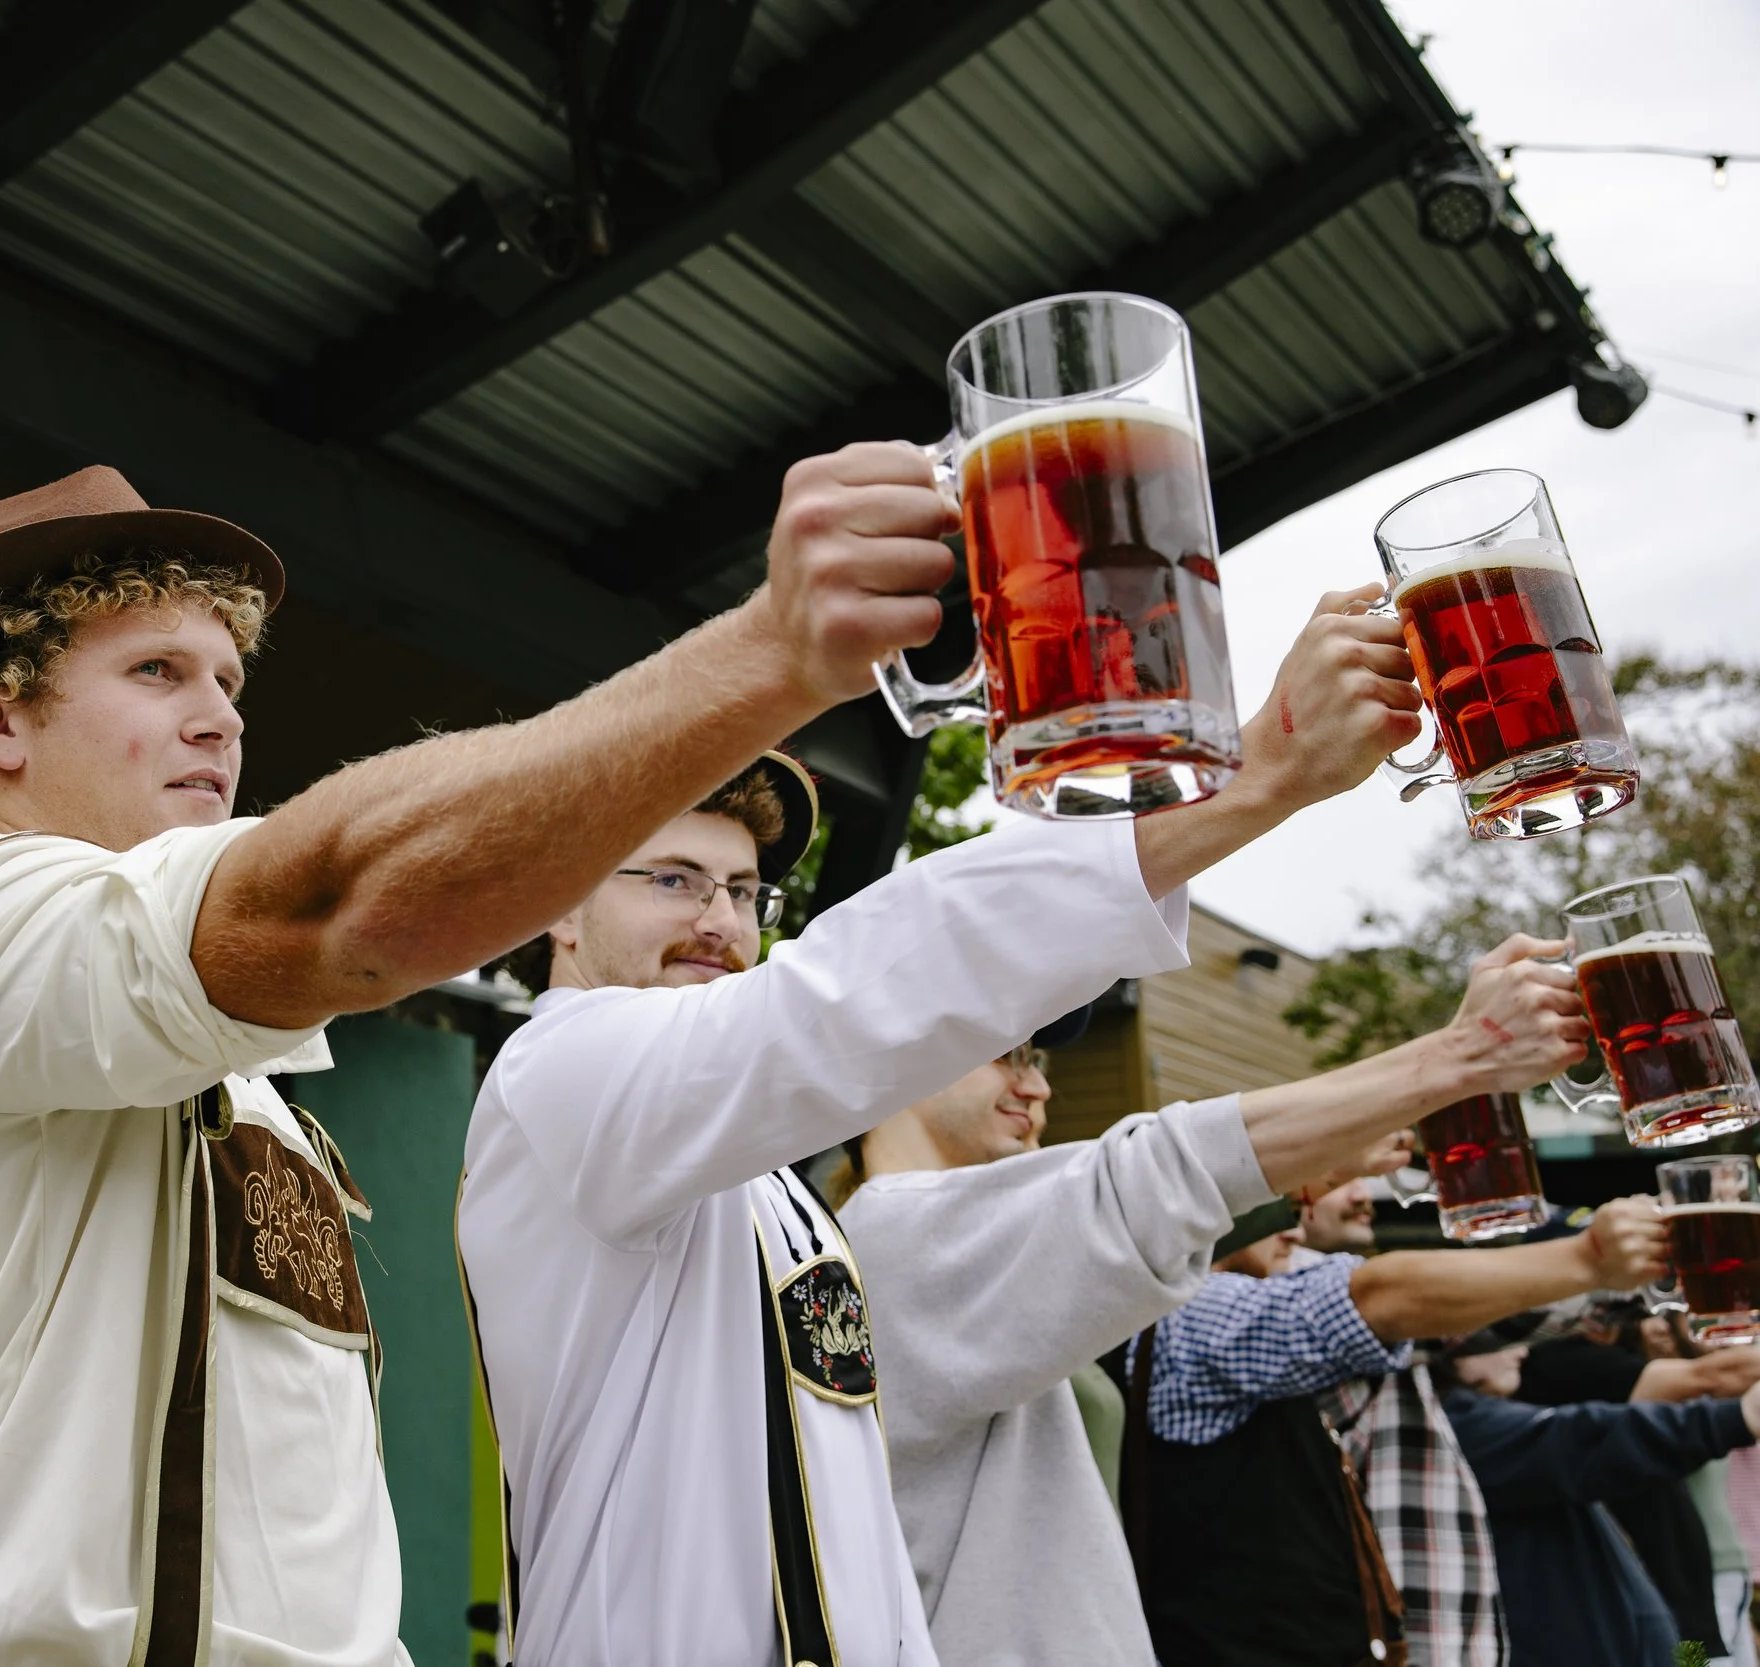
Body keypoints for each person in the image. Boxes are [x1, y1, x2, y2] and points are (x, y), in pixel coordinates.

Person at [0, 445, 979, 1666]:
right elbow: (333, 906)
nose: (221, 716)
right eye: (157, 670)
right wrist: (765, 656)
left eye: (228, 678)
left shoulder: (212, 1066)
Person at [457, 583, 1447, 1666]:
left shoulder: (768, 1190)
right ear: (555, 900)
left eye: (745, 892)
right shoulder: (561, 1072)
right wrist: (1250, 775)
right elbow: (842, 996)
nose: (720, 921)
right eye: (674, 878)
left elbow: (854, 1534)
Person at [824, 950, 1617, 1667]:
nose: (1038, 1084)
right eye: (1006, 1054)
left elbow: (1143, 1215)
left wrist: (1291, 1183)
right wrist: (1461, 1052)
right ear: (898, 1057)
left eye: (1035, 1057)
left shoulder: (935, 1249)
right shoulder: (890, 1233)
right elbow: (1148, 1181)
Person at [1120, 1192, 1667, 1667]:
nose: (1294, 1222)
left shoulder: (1276, 1304)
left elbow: (1447, 1320)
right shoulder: (1191, 1315)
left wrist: (1647, 1270)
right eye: (1261, 1208)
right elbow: (1389, 1303)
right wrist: (1590, 1259)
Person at [1446, 1337, 1760, 1667]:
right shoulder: (1570, 1369)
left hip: (1707, 1584)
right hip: (1681, 1596)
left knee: (1706, 1646)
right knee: (1697, 1656)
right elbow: (1608, 1434)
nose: (1520, 1350)